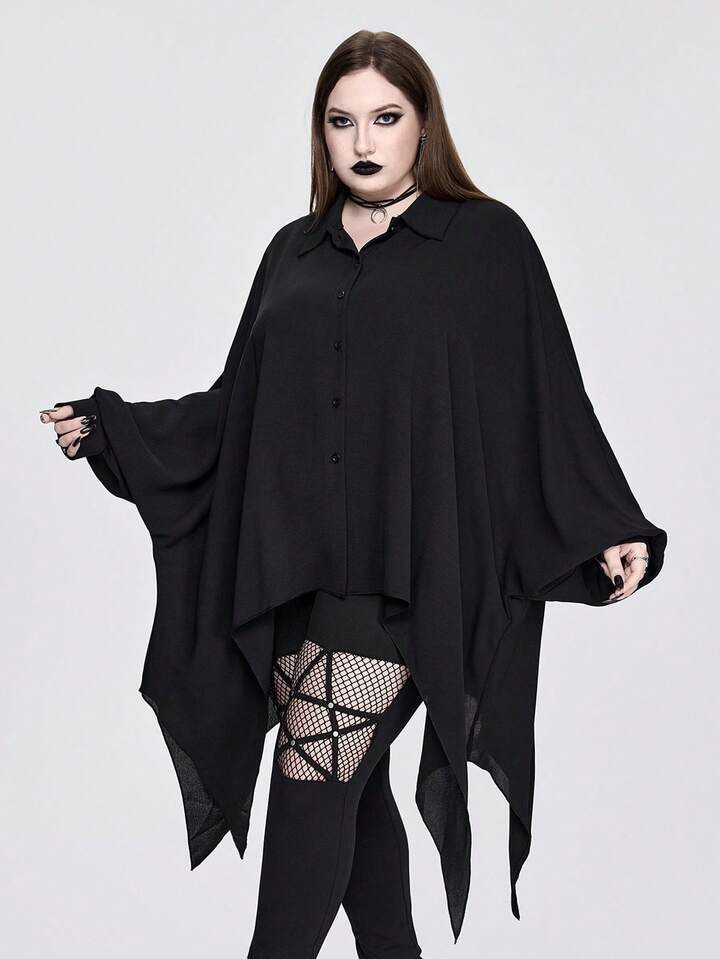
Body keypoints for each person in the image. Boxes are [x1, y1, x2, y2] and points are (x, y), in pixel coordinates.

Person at [39, 29, 667, 959]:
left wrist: (610, 521)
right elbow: (235, 409)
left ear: (424, 126)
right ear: (321, 132)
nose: (363, 141)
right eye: (342, 121)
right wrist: (115, 427)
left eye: (385, 117)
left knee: (311, 781)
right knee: (353, 803)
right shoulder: (293, 253)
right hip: (301, 579)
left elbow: (547, 393)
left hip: (415, 581)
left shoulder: (485, 241)